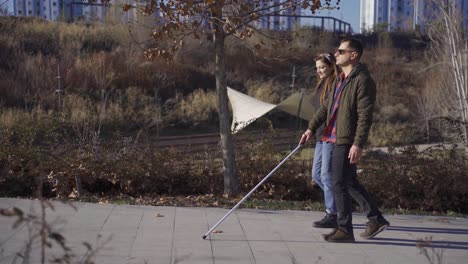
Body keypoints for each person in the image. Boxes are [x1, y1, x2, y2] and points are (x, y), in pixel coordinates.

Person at [299, 38, 390, 243]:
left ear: (353, 55)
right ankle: (376, 219)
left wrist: (358, 143)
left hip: (345, 139)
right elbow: (325, 108)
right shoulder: (341, 79)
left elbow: (365, 115)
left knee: (338, 182)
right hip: (331, 136)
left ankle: (345, 230)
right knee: (347, 182)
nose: (336, 54)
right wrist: (311, 128)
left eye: (340, 51)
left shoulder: (363, 80)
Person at [310, 53, 339, 229]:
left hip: (330, 135)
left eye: (322, 67)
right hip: (320, 135)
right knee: (316, 175)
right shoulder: (321, 84)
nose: (320, 70)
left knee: (326, 175)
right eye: (318, 68)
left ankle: (333, 213)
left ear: (331, 65)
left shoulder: (335, 84)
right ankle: (339, 204)